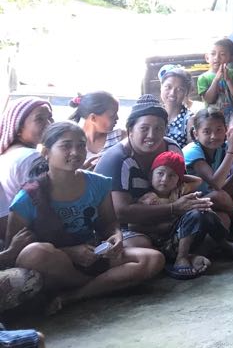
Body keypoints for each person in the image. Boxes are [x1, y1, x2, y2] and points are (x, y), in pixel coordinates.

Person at [9, 122, 164, 310]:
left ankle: (75, 295)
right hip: (56, 265)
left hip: (92, 255)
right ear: (46, 152)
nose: (75, 152)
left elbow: (109, 223)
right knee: (34, 253)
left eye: (81, 145)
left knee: (153, 259)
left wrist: (116, 236)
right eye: (66, 146)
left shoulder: (98, 183)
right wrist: (70, 252)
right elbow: (16, 251)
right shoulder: (28, 197)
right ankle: (106, 284)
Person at [95, 94, 227, 280]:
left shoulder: (171, 149)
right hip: (125, 228)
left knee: (216, 217)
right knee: (141, 244)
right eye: (144, 128)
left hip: (167, 220)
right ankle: (180, 256)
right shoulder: (118, 159)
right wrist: (173, 208)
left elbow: (180, 185)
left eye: (158, 128)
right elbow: (122, 213)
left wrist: (188, 204)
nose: (152, 135)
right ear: (130, 130)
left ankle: (179, 255)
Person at [136, 152, 209, 277]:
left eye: (171, 176)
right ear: (150, 175)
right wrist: (160, 227)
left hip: (179, 235)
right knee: (194, 214)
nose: (164, 179)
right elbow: (134, 226)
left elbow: (198, 181)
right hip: (161, 242)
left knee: (205, 211)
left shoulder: (178, 190)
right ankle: (181, 258)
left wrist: (179, 176)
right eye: (160, 173)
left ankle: (223, 244)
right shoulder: (149, 199)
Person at [0, 98, 52, 237]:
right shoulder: (32, 158)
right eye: (40, 119)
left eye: (50, 118)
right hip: (32, 235)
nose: (49, 124)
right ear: (18, 128)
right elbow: (49, 201)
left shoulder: (7, 154)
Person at [69, 92, 123, 166]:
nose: (117, 118)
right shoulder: (71, 142)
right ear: (93, 118)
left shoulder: (120, 138)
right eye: (112, 115)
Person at [197, 39, 233, 113]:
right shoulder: (203, 78)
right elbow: (209, 100)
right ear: (207, 58)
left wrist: (228, 80)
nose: (217, 57)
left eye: (222, 54)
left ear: (230, 58)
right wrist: (216, 80)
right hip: (213, 117)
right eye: (213, 54)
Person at [158, 65, 193, 148]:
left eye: (179, 89)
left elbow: (192, 152)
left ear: (186, 93)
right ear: (161, 87)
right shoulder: (153, 114)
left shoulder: (189, 120)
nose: (172, 93)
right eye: (168, 87)